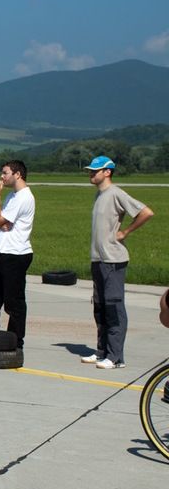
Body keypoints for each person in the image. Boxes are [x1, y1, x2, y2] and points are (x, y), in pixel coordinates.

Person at [81, 155, 155, 369]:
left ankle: (116, 357)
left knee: (113, 307)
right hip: (98, 258)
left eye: (95, 171)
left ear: (107, 172)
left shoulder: (116, 193)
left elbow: (146, 212)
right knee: (100, 307)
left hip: (113, 259)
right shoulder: (100, 195)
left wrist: (125, 231)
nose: (91, 174)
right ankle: (102, 350)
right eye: (90, 171)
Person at [0, 160, 35, 349]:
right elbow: (0, 222)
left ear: (17, 174)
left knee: (14, 302)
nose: (2, 177)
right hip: (2, 251)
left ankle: (15, 340)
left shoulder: (24, 197)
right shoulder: (13, 196)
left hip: (16, 254)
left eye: (5, 173)